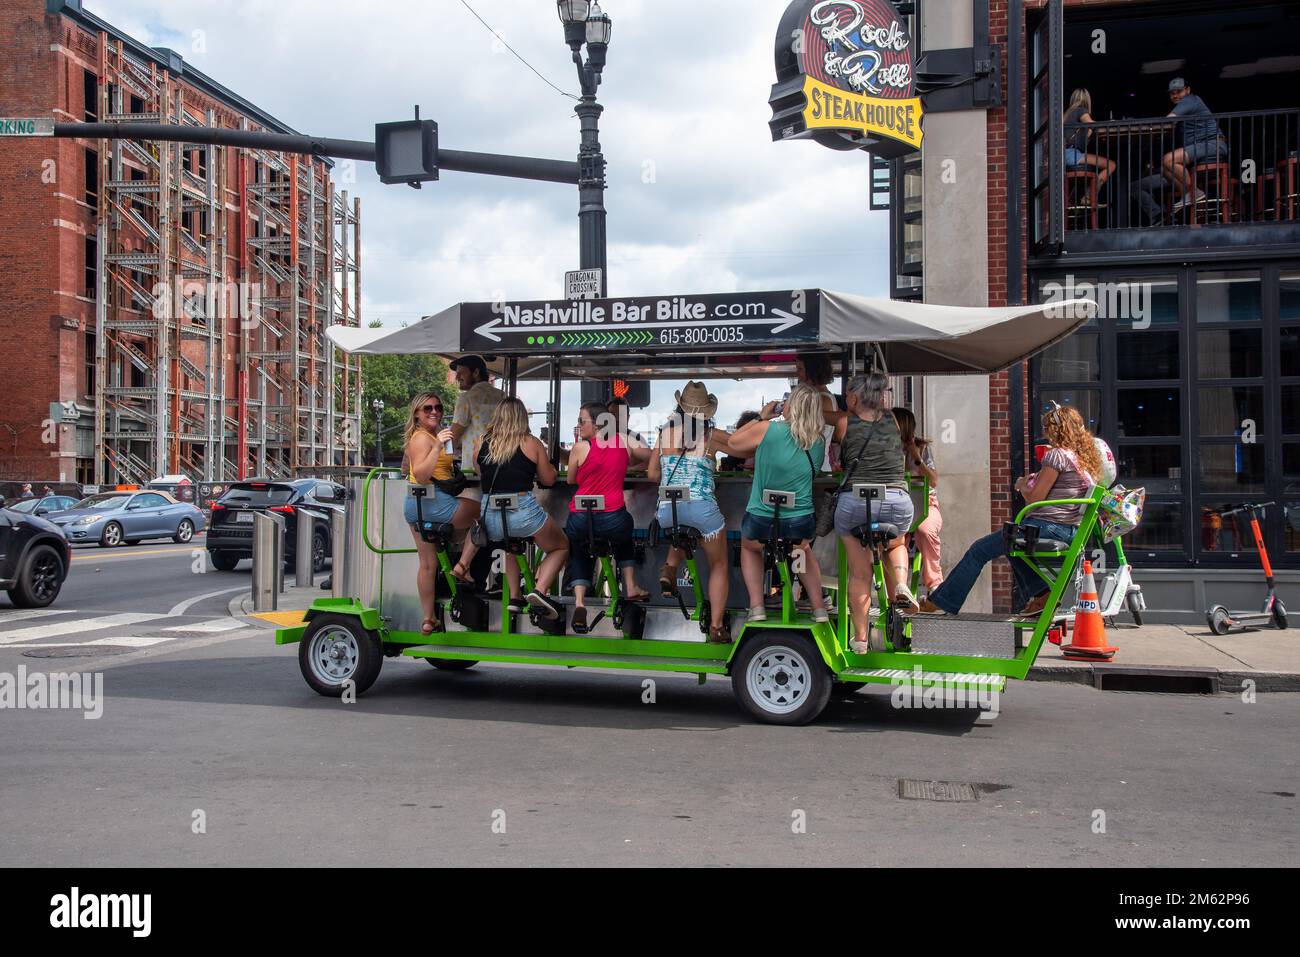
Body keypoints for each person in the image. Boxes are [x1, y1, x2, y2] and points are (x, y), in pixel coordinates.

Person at [917, 404, 1102, 617]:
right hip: (1067, 529)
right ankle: (1042, 595)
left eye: (1046, 427)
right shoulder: (1081, 458)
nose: (1044, 432)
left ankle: (941, 601)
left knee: (979, 550)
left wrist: (1022, 484)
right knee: (1010, 542)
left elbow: (1035, 497)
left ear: (1056, 429)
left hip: (1047, 528)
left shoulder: (1057, 456)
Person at [827, 374, 915, 652]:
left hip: (855, 501)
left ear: (853, 398)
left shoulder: (844, 421)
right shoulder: (894, 420)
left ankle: (861, 639)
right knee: (897, 541)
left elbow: (822, 415)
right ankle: (900, 584)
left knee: (860, 574)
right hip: (896, 499)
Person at [728, 383, 829, 624]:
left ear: (792, 406)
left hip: (761, 519)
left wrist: (761, 417)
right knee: (800, 550)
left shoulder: (767, 430)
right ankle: (818, 608)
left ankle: (757, 606)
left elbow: (733, 443)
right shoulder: (818, 441)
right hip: (799, 520)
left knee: (751, 547)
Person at [647, 382, 735, 643]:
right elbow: (745, 449)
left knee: (682, 525)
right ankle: (717, 626)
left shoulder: (664, 435)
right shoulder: (713, 436)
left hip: (666, 511)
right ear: (708, 412)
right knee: (718, 563)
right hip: (703, 510)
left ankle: (670, 568)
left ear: (679, 408)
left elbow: (652, 474)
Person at [476, 398, 569, 620]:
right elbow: (547, 480)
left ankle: (515, 598)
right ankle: (540, 590)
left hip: (490, 518)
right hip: (522, 513)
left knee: (511, 544)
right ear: (522, 418)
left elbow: (481, 474)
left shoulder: (483, 441)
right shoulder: (531, 442)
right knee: (560, 546)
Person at [564, 402, 651, 632]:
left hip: (581, 517)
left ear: (598, 423)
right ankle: (630, 586)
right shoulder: (623, 441)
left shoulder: (580, 448)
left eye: (583, 421)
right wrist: (632, 466)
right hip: (613, 518)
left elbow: (571, 480)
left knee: (579, 546)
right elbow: (653, 455)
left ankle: (580, 602)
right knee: (625, 532)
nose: (579, 425)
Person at [402, 392, 460, 635]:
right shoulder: (422, 439)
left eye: (438, 407)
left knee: (428, 564)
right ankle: (463, 568)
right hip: (434, 504)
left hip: (418, 507)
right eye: (427, 408)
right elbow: (423, 475)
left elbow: (409, 469)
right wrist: (437, 446)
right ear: (417, 413)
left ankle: (429, 618)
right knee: (483, 514)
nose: (434, 411)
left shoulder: (427, 437)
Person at [448, 355, 505, 584]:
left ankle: (470, 572)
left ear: (476, 372)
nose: (457, 377)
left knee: (476, 524)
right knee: (497, 526)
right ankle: (497, 580)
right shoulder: (503, 397)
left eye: (461, 372)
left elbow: (453, 436)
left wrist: (438, 453)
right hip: (502, 470)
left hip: (474, 472)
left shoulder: (467, 399)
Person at [893, 406, 943, 596]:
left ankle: (935, 584)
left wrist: (916, 457)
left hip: (925, 504)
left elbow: (934, 481)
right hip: (897, 504)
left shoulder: (922, 448)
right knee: (896, 537)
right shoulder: (885, 448)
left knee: (925, 530)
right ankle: (899, 585)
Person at [1163, 77, 1227, 211]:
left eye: (1178, 91)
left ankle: (1194, 192)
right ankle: (1188, 194)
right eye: (1172, 93)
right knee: (1165, 169)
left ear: (1187, 90)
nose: (1175, 95)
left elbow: (1170, 119)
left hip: (1212, 145)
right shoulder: (1185, 104)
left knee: (1169, 159)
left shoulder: (1190, 100)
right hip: (1202, 148)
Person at [795, 353, 841, 471]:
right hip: (817, 464)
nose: (797, 373)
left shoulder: (821, 398)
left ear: (812, 371)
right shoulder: (823, 396)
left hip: (815, 466)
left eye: (800, 369)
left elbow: (808, 434)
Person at [1063, 88, 1116, 187]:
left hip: (1064, 154)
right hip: (1071, 154)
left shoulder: (1067, 113)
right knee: (1111, 165)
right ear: (1087, 100)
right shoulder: (1081, 110)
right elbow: (1091, 124)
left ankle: (1082, 197)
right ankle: (1089, 196)